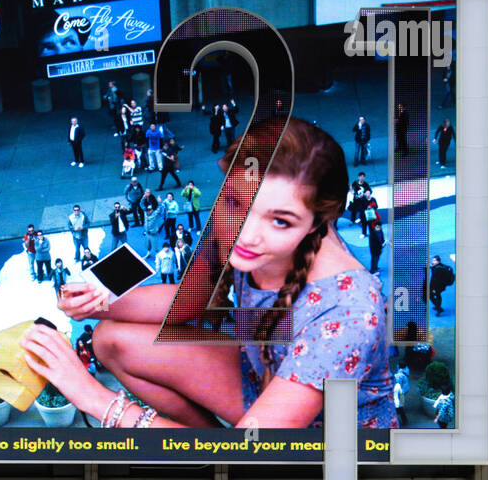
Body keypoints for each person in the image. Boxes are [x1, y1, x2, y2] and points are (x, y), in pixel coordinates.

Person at [23, 117, 394, 433]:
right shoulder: (239, 222)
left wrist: (92, 396)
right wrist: (97, 305)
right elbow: (188, 300)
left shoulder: (349, 311)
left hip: (328, 438)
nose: (245, 235)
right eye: (235, 202)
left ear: (320, 224)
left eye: (280, 221)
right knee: (109, 339)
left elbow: (253, 454)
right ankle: (205, 440)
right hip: (259, 374)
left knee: (239, 459)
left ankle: (208, 453)